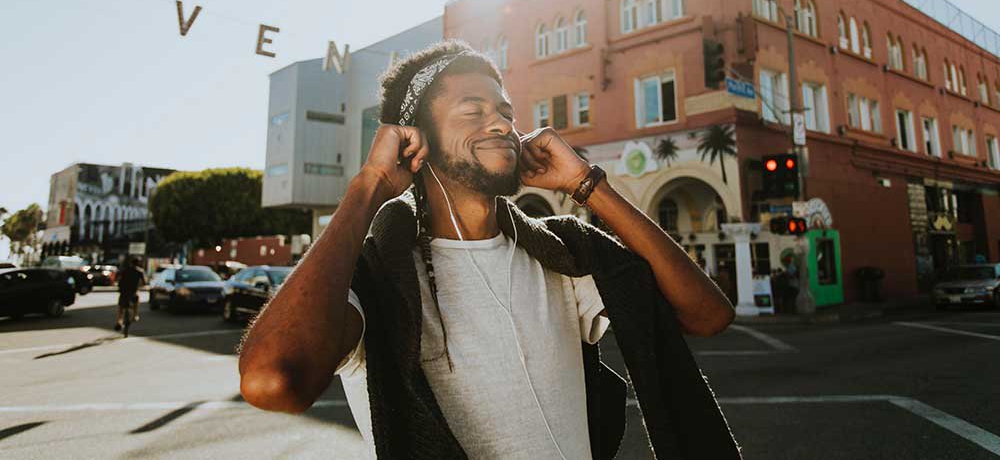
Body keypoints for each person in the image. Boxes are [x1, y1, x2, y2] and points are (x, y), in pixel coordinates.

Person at [238, 41, 742, 459]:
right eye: (473, 110)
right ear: (415, 138)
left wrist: (588, 185)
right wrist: (368, 186)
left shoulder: (562, 255)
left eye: (505, 111)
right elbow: (271, 381)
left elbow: (708, 314)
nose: (501, 124)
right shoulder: (375, 280)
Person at [115, 256, 146, 331]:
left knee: (121, 307)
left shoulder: (124, 270)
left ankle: (119, 321)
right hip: (133, 291)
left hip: (123, 291)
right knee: (136, 299)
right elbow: (144, 282)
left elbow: (117, 277)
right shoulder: (140, 271)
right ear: (138, 263)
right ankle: (135, 315)